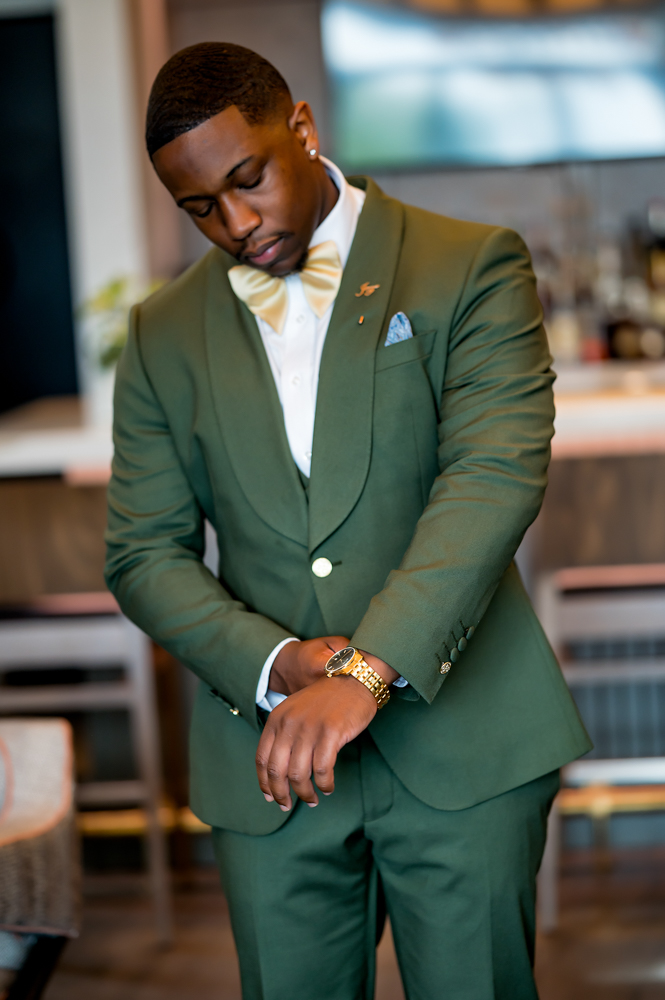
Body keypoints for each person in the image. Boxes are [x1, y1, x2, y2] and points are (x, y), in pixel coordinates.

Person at [105, 41, 591, 1000]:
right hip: (270, 765)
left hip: (463, 744)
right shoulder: (162, 334)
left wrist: (366, 671)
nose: (237, 224)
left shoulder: (469, 265)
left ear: (301, 128)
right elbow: (141, 552)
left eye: (248, 181)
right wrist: (278, 664)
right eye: (199, 207)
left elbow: (490, 480)